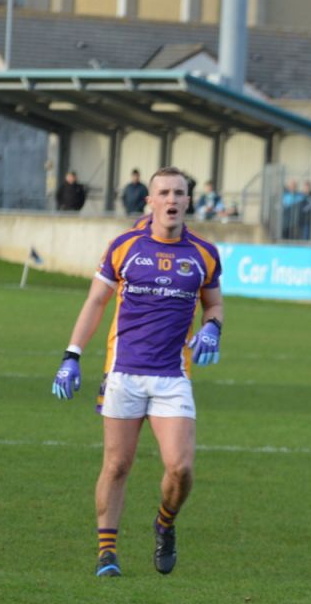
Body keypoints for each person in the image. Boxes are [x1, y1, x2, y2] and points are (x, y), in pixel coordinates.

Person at [50, 166, 224, 579]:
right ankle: (106, 554)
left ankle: (164, 522)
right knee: (117, 465)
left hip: (172, 376)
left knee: (180, 468)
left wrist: (213, 327)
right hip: (123, 374)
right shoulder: (124, 246)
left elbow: (213, 305)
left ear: (188, 200)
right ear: (149, 200)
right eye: (163, 192)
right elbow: (95, 303)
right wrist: (71, 355)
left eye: (179, 193)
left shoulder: (203, 253)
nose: (171, 200)